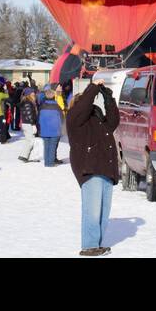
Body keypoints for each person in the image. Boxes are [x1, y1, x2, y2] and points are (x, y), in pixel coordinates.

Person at [67, 72, 121, 256]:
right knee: (92, 210)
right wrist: (93, 88)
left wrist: (108, 97)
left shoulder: (98, 121)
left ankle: (96, 244)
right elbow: (82, 107)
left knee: (103, 212)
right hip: (90, 169)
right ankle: (89, 246)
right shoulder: (75, 120)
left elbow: (113, 120)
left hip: (106, 168)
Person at [37, 85, 64, 166]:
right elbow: (61, 119)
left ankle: (47, 163)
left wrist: (39, 129)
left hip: (44, 130)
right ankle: (51, 164)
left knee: (46, 147)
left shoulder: (42, 107)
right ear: (53, 97)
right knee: (52, 147)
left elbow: (38, 119)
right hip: (55, 130)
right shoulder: (57, 107)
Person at [17, 88, 41, 162]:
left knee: (29, 140)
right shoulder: (27, 102)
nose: (34, 93)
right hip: (28, 124)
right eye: (32, 92)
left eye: (33, 92)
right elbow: (29, 114)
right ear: (28, 94)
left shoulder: (29, 101)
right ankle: (24, 156)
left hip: (28, 123)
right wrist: (33, 124)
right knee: (31, 140)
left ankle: (25, 156)